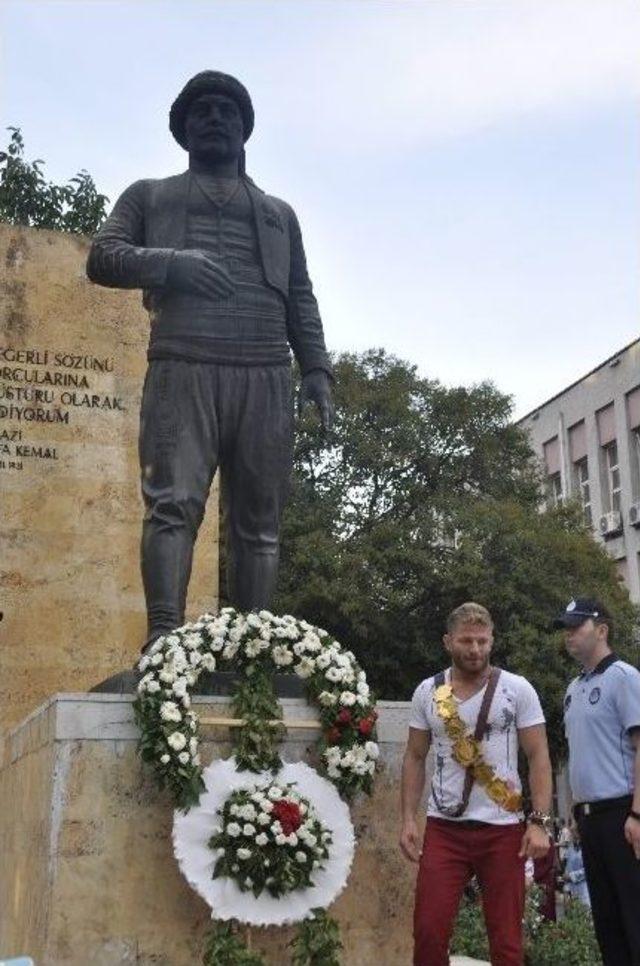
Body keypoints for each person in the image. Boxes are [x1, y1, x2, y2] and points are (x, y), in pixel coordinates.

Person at [86, 71, 334, 649]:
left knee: (260, 521)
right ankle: (165, 638)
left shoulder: (279, 214)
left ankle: (253, 646)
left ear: (245, 129)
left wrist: (317, 368)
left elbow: (301, 293)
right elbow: (103, 256)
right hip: (184, 362)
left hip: (266, 368)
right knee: (172, 505)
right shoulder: (151, 195)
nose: (216, 117)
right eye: (202, 111)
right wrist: (171, 264)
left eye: (227, 110)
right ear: (183, 130)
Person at [400, 601, 552, 966]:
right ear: (447, 642)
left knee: (506, 940)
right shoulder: (427, 692)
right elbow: (415, 756)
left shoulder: (517, 689)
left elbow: (538, 756)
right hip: (444, 828)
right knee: (429, 932)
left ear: (492, 640)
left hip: (502, 831)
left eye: (483, 641)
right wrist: (407, 818)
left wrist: (539, 822)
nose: (475, 649)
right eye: (466, 641)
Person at [555, 596, 640, 966]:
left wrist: (637, 814)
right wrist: (575, 810)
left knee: (633, 916)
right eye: (566, 629)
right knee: (606, 922)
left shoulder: (623, 677)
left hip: (622, 812)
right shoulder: (573, 689)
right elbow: (581, 754)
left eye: (577, 627)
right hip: (589, 819)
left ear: (601, 629)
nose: (569, 635)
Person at [562, 822, 590, 907]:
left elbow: (588, 869)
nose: (571, 835)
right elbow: (567, 869)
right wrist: (566, 891)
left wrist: (572, 876)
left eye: (573, 832)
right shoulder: (571, 848)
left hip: (585, 889)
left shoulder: (588, 847)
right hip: (572, 890)